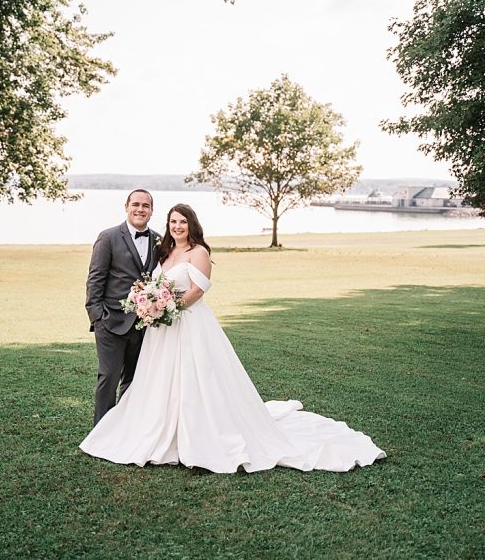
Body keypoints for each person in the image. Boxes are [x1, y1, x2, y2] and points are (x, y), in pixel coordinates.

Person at [80, 203, 385, 473]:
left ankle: (197, 434)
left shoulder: (199, 253)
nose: (177, 226)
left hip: (188, 325)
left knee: (196, 378)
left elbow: (198, 291)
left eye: (182, 222)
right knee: (155, 380)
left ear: (192, 224)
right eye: (173, 222)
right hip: (162, 330)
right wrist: (154, 306)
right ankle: (145, 428)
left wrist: (166, 307)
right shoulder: (165, 250)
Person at [85, 189, 162, 424]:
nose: (140, 209)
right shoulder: (108, 237)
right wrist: (97, 316)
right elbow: (95, 279)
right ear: (126, 207)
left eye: (145, 206)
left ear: (151, 211)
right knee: (108, 377)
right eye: (136, 204)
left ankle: (125, 430)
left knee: (134, 379)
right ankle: (101, 431)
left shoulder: (158, 240)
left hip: (143, 324)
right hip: (111, 321)